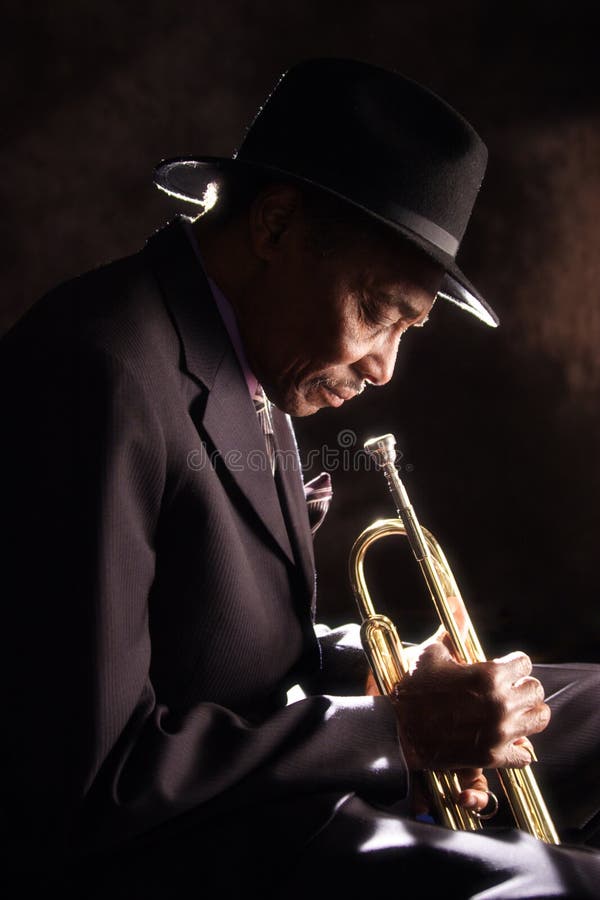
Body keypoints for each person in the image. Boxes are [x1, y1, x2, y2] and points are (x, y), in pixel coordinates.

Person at [2, 58, 599, 899]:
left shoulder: (246, 342)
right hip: (203, 841)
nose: (386, 367)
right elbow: (93, 781)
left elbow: (208, 645)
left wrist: (395, 673)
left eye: (409, 328)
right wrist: (397, 731)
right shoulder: (95, 373)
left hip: (283, 754)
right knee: (569, 887)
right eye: (376, 311)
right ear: (276, 227)